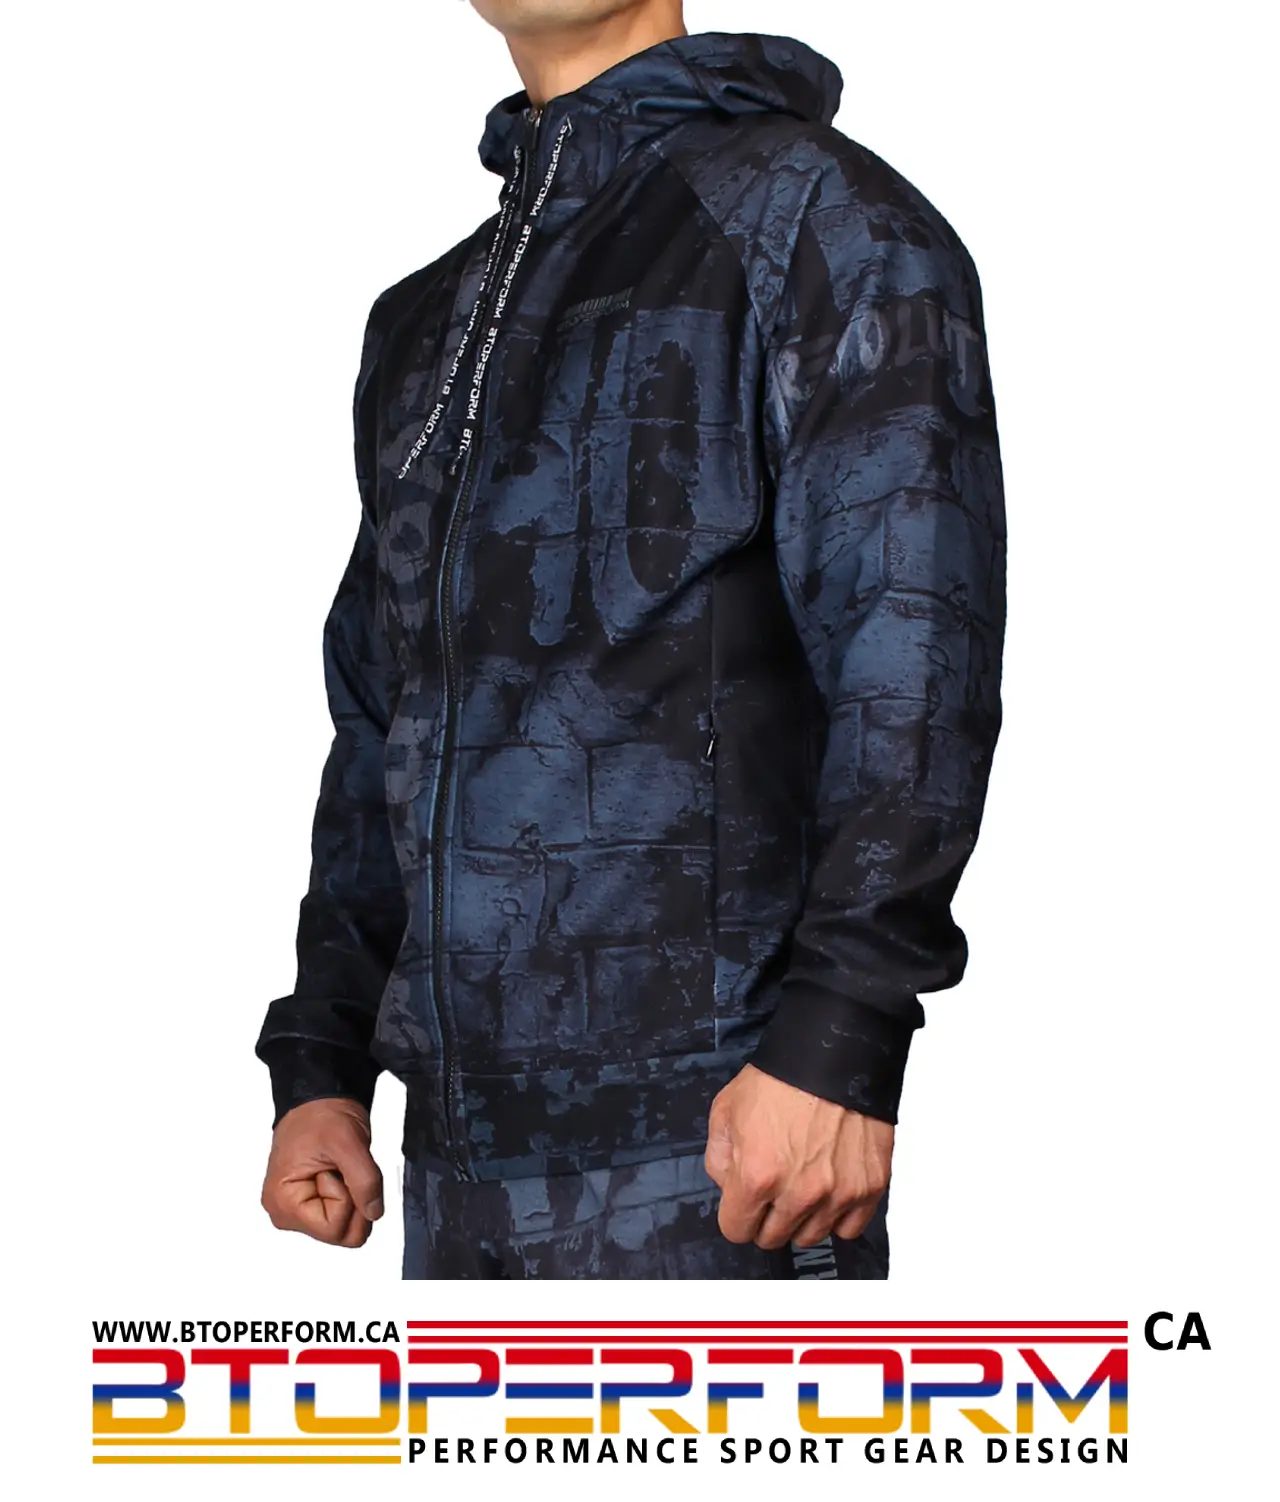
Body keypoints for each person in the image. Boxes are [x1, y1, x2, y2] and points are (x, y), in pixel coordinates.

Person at [256, 0, 1006, 1280]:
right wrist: (322, 1060)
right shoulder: (424, 322)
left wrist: (841, 1031)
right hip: (456, 1170)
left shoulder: (817, 220)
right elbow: (381, 714)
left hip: (719, 1146)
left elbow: (912, 649)